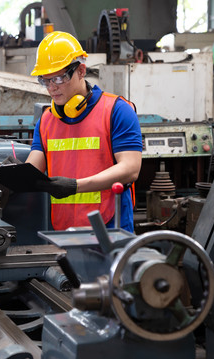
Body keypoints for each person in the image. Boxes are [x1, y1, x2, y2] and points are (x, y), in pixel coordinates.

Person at [26, 31, 142, 233]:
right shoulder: (46, 120)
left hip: (111, 229)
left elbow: (131, 168)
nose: (52, 88)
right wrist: (1, 175)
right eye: (45, 80)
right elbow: (31, 171)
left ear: (81, 71)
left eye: (60, 78)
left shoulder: (116, 110)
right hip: (63, 232)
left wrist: (75, 186)